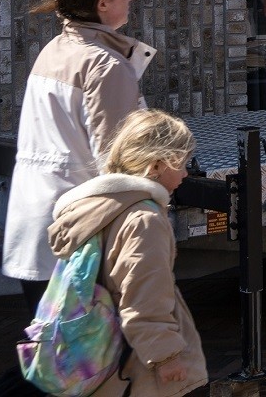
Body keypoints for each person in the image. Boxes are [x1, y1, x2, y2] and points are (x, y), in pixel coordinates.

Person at [3, 0, 151, 316]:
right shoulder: (104, 64)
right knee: (84, 363)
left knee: (54, 359)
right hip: (77, 236)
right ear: (103, 2)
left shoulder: (55, 49)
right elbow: (117, 162)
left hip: (37, 225)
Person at [45, 109, 209, 396]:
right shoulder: (144, 221)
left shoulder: (100, 206)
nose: (185, 172)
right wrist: (166, 357)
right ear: (156, 164)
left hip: (104, 357)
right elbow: (143, 295)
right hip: (138, 367)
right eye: (181, 162)